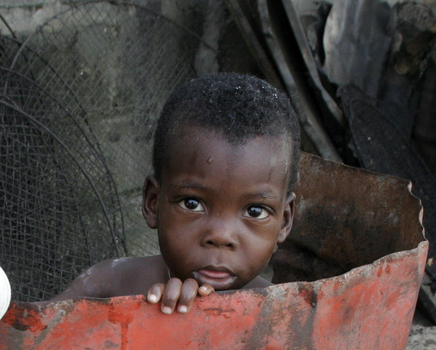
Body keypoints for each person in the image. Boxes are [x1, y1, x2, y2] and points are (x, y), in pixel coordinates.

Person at [54, 73, 300, 314]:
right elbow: (27, 333)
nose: (221, 235)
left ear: (284, 221)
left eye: (254, 211)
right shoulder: (108, 285)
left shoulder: (282, 315)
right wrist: (148, 319)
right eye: (192, 203)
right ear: (153, 202)